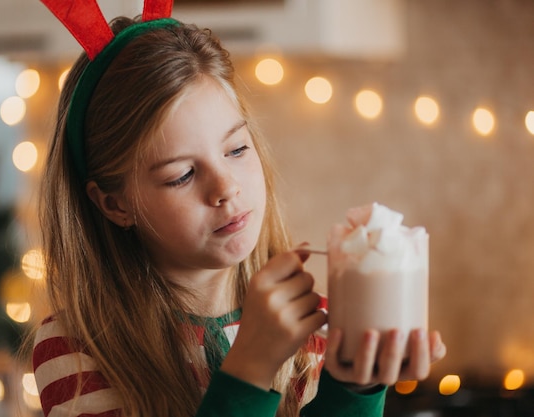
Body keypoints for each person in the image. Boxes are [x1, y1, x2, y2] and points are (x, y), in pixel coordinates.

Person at [31, 8, 446, 417]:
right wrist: (252, 367)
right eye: (182, 175)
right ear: (115, 204)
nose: (226, 187)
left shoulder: (313, 329)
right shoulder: (77, 349)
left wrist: (355, 388)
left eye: (236, 149)